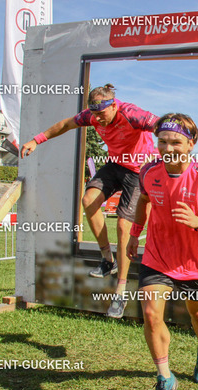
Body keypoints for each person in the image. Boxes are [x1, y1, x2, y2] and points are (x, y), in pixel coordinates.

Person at [20, 84, 159, 318]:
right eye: (95, 115)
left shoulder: (132, 113)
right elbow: (66, 124)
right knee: (89, 200)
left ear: (113, 106)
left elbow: (162, 126)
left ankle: (121, 291)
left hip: (138, 170)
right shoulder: (92, 116)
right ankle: (107, 259)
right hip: (116, 164)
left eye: (102, 114)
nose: (98, 120)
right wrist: (37, 139)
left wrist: (172, 151)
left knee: (123, 226)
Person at [127, 113, 198, 390]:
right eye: (162, 141)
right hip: (157, 256)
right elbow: (144, 200)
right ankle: (164, 377)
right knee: (150, 314)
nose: (168, 148)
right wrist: (135, 233)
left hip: (192, 261)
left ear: (190, 144)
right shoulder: (148, 171)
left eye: (175, 142)